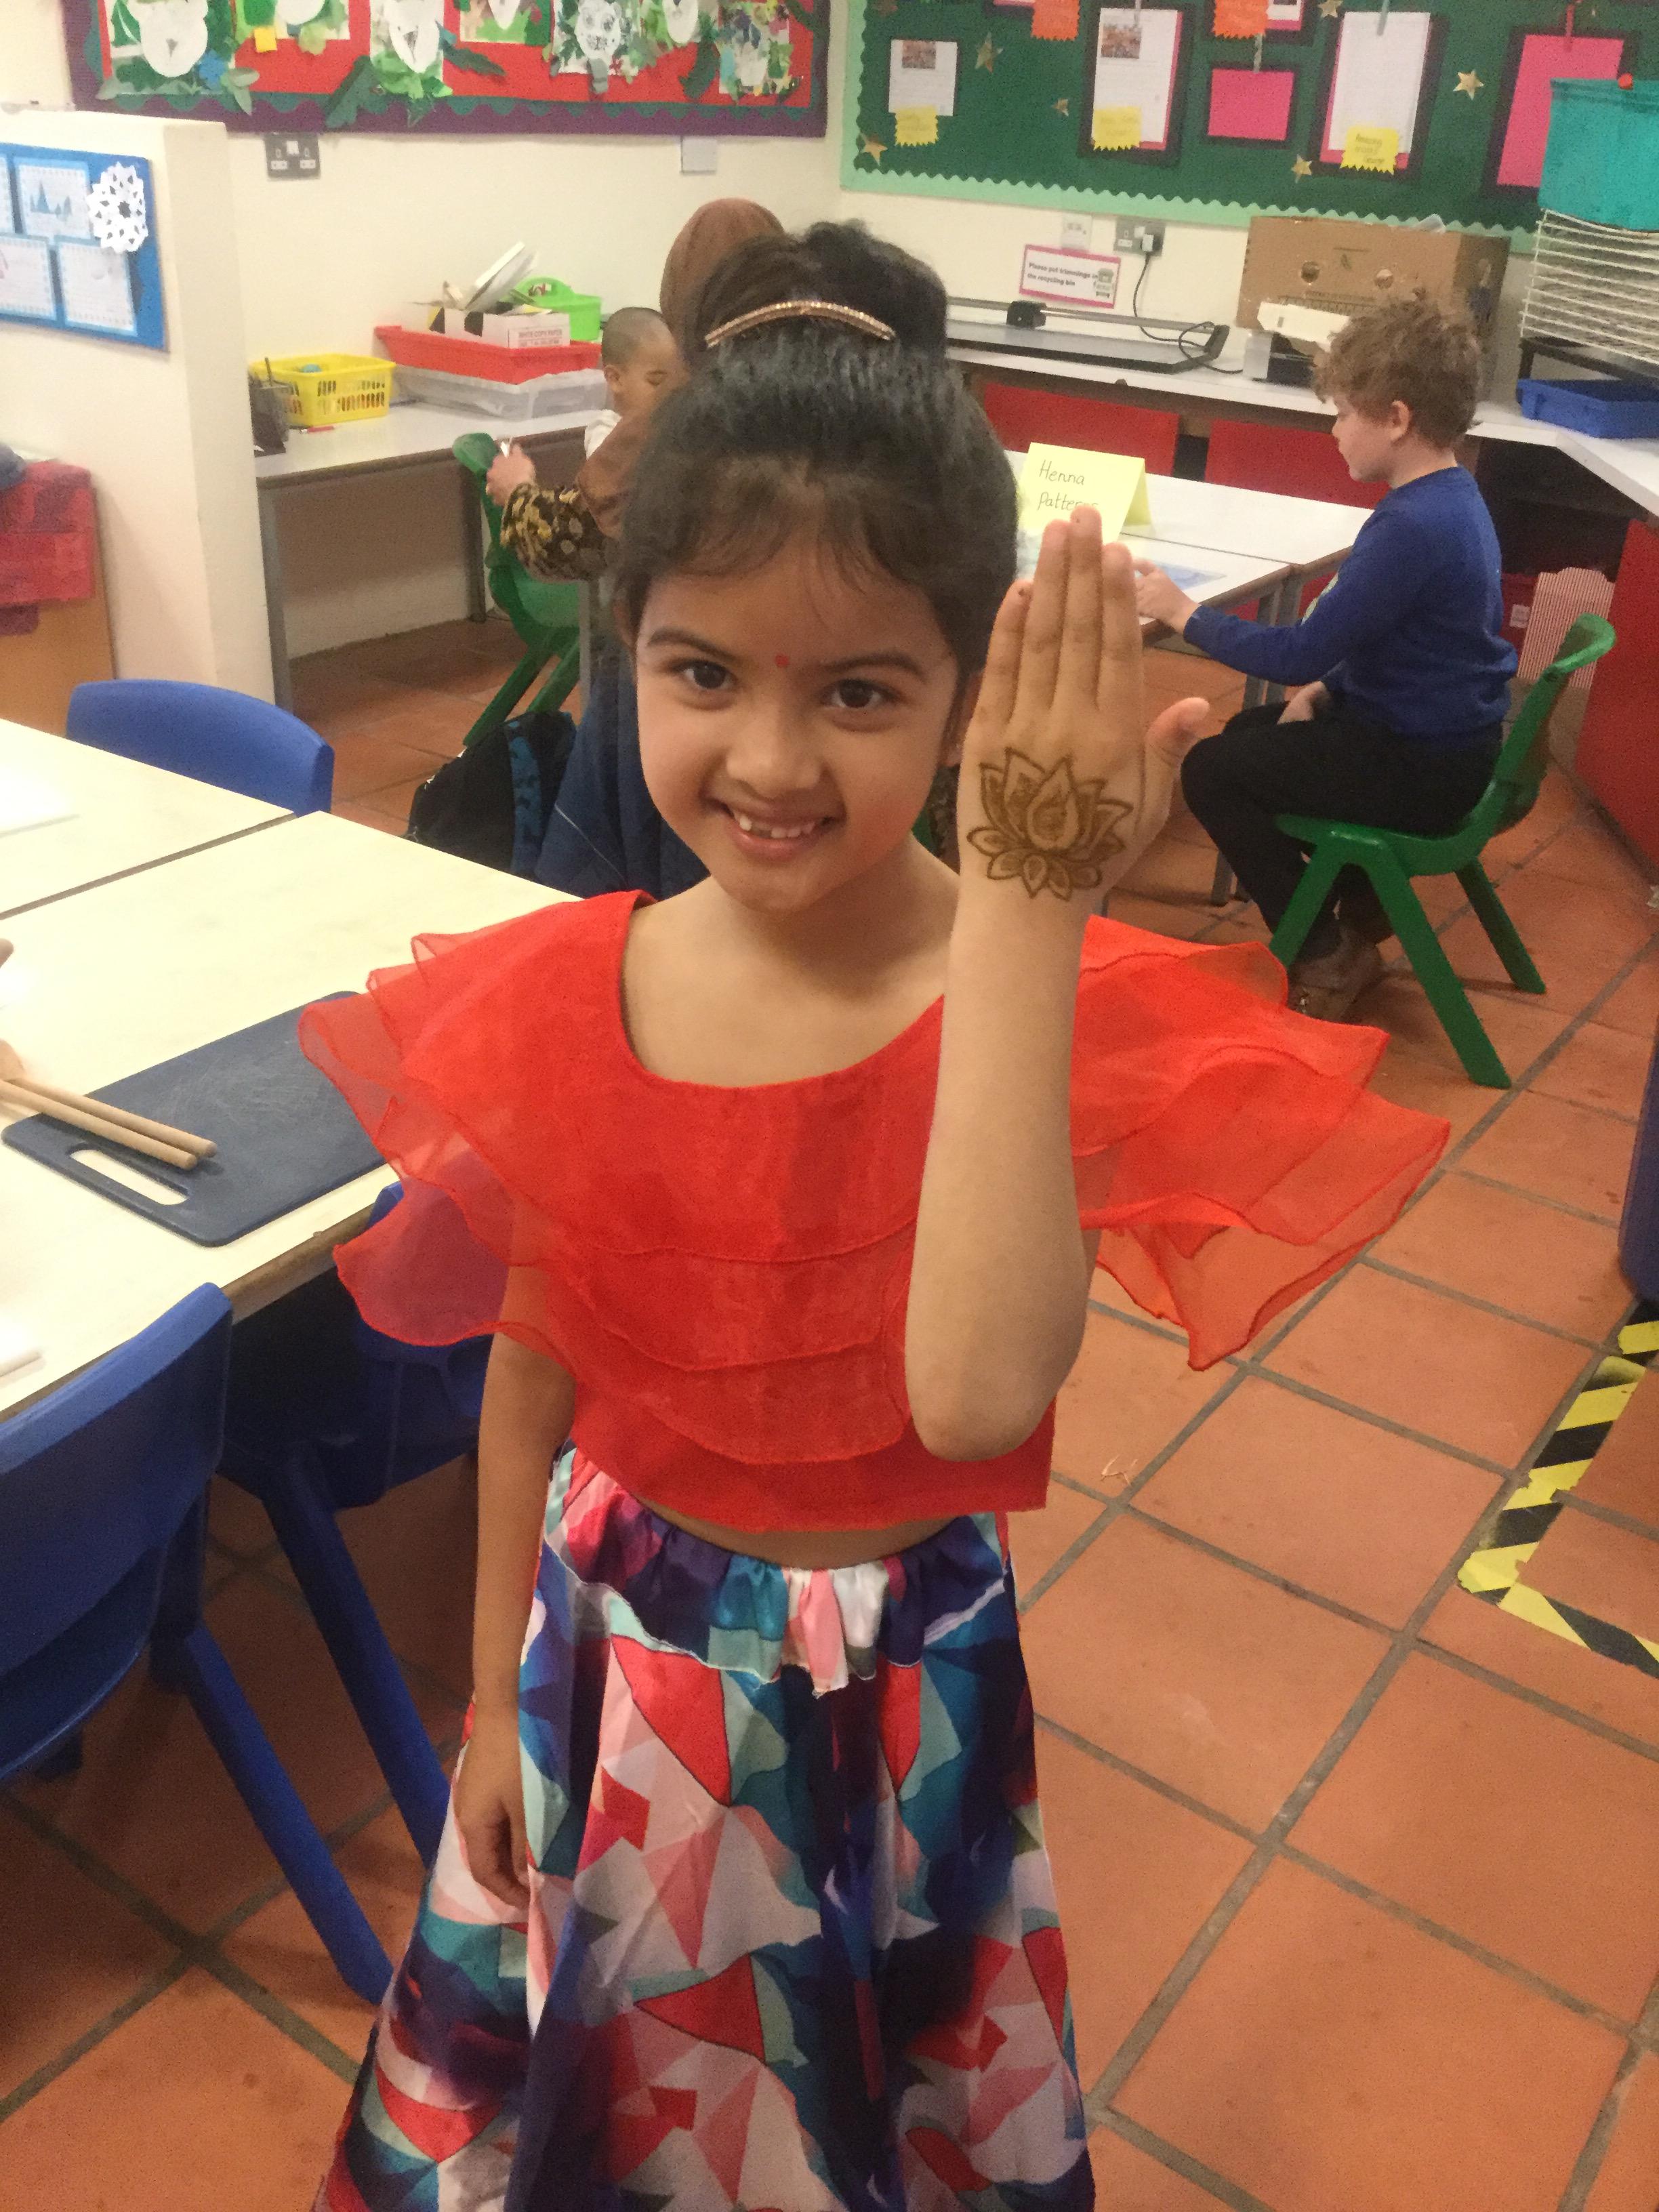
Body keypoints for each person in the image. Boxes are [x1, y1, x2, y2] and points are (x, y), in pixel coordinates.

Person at [301, 226, 1447, 2211]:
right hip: (624, 1673)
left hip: (903, 1687)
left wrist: (1029, 905)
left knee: (872, 2124)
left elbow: (979, 1387)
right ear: (626, 650)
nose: (767, 759)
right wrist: (489, 1697)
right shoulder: (577, 990)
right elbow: (528, 1376)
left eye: (855, 689)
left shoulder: (1009, 999)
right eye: (701, 672)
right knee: (639, 2121)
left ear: (967, 690)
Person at [1134, 299, 1518, 1021]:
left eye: (1342, 413)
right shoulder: (1455, 497)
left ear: (1396, 418)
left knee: (1212, 770)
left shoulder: (1410, 525)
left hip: (1419, 766)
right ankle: (1362, 901)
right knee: (1250, 736)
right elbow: (1395, 640)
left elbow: (1297, 651)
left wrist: (1184, 613)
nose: (1333, 430)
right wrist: (1326, 689)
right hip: (1454, 746)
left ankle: (1324, 948)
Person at [584, 304, 681, 459]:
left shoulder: (672, 424)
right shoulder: (605, 431)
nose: (670, 391)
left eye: (677, 382)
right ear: (616, 378)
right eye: (657, 381)